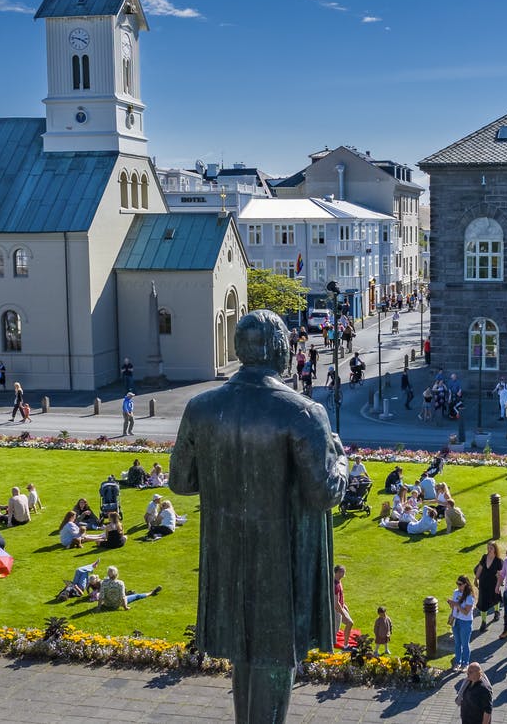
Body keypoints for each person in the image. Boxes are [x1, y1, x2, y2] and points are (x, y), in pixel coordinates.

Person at [169, 310, 348, 724]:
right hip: (278, 563)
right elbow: (323, 494)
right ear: (275, 349)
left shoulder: (201, 408)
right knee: (271, 656)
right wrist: (339, 458)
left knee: (244, 657)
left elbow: (180, 481)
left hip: (226, 555)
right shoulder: (302, 413)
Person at [448, 575, 477, 668]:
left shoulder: (469, 597)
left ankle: (465, 663)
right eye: (457, 584)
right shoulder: (455, 592)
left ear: (465, 584)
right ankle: (457, 662)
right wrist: (451, 604)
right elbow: (453, 607)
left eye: (460, 584)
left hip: (465, 622)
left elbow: (465, 612)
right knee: (457, 643)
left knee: (465, 644)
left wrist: (456, 604)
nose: (458, 586)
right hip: (456, 620)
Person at [474, 542, 503, 630]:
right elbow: (480, 568)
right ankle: (483, 622)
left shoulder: (498, 561)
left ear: (495, 549)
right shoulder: (484, 557)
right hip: (483, 582)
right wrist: (476, 578)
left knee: (495, 598)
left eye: (491, 548)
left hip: (493, 583)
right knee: (483, 602)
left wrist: (498, 585)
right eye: (488, 548)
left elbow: (499, 574)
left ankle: (496, 611)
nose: (489, 550)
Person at [333, 565, 353, 646]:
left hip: (341, 607)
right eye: (342, 571)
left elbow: (341, 596)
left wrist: (344, 605)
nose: (344, 573)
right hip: (337, 610)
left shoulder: (338, 581)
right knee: (335, 631)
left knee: (350, 623)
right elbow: (336, 603)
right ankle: (330, 650)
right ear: (337, 572)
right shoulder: (335, 585)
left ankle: (345, 645)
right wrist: (343, 614)